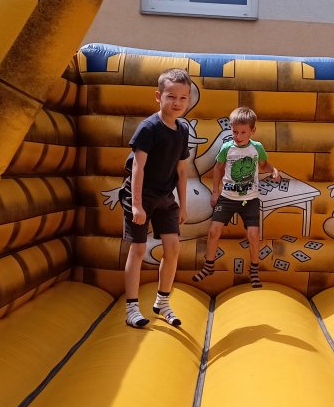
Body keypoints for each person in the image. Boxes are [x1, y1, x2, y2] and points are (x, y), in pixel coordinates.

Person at [118, 68, 192, 328]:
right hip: (140, 194)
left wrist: (182, 205)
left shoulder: (182, 130)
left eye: (183, 98)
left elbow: (181, 171)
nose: (177, 103)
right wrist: (137, 205)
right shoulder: (149, 128)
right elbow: (138, 167)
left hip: (165, 197)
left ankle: (162, 302)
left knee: (173, 248)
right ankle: (132, 308)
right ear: (158, 96)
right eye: (171, 96)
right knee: (138, 249)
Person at [191, 107, 280, 288]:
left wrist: (274, 170)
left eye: (243, 132)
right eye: (234, 132)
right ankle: (209, 266)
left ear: (252, 131)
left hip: (250, 199)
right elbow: (218, 169)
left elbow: (264, 165)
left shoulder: (256, 148)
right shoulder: (227, 147)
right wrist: (215, 192)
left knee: (253, 235)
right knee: (214, 231)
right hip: (227, 197)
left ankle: (254, 270)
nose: (238, 136)